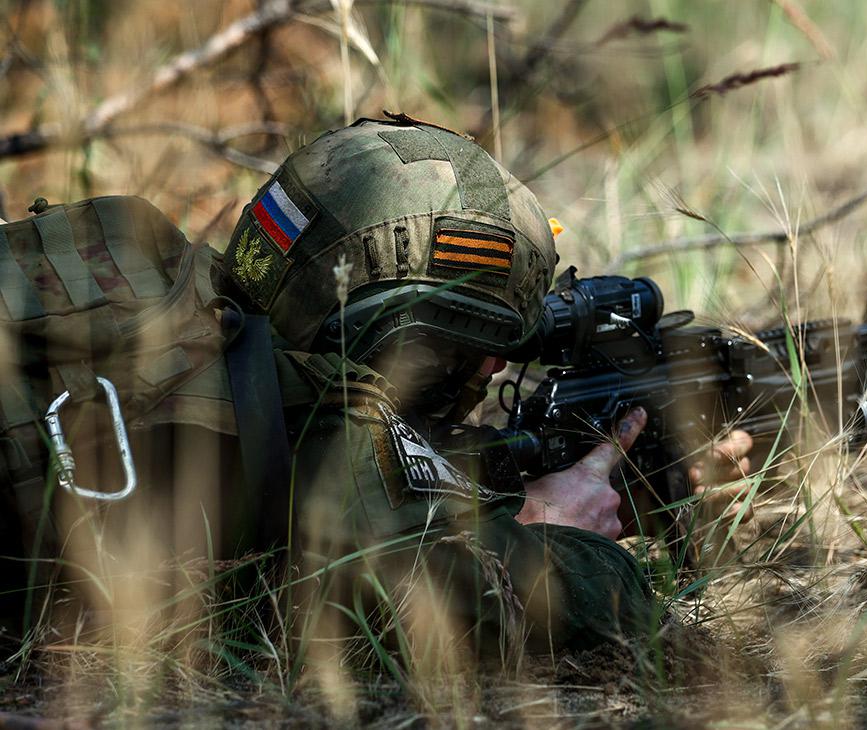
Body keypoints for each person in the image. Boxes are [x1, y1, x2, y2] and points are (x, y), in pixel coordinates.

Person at [0, 114, 752, 657]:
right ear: (391, 328)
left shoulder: (161, 290)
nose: (490, 373)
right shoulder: (318, 417)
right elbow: (474, 599)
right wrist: (564, 534)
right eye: (469, 348)